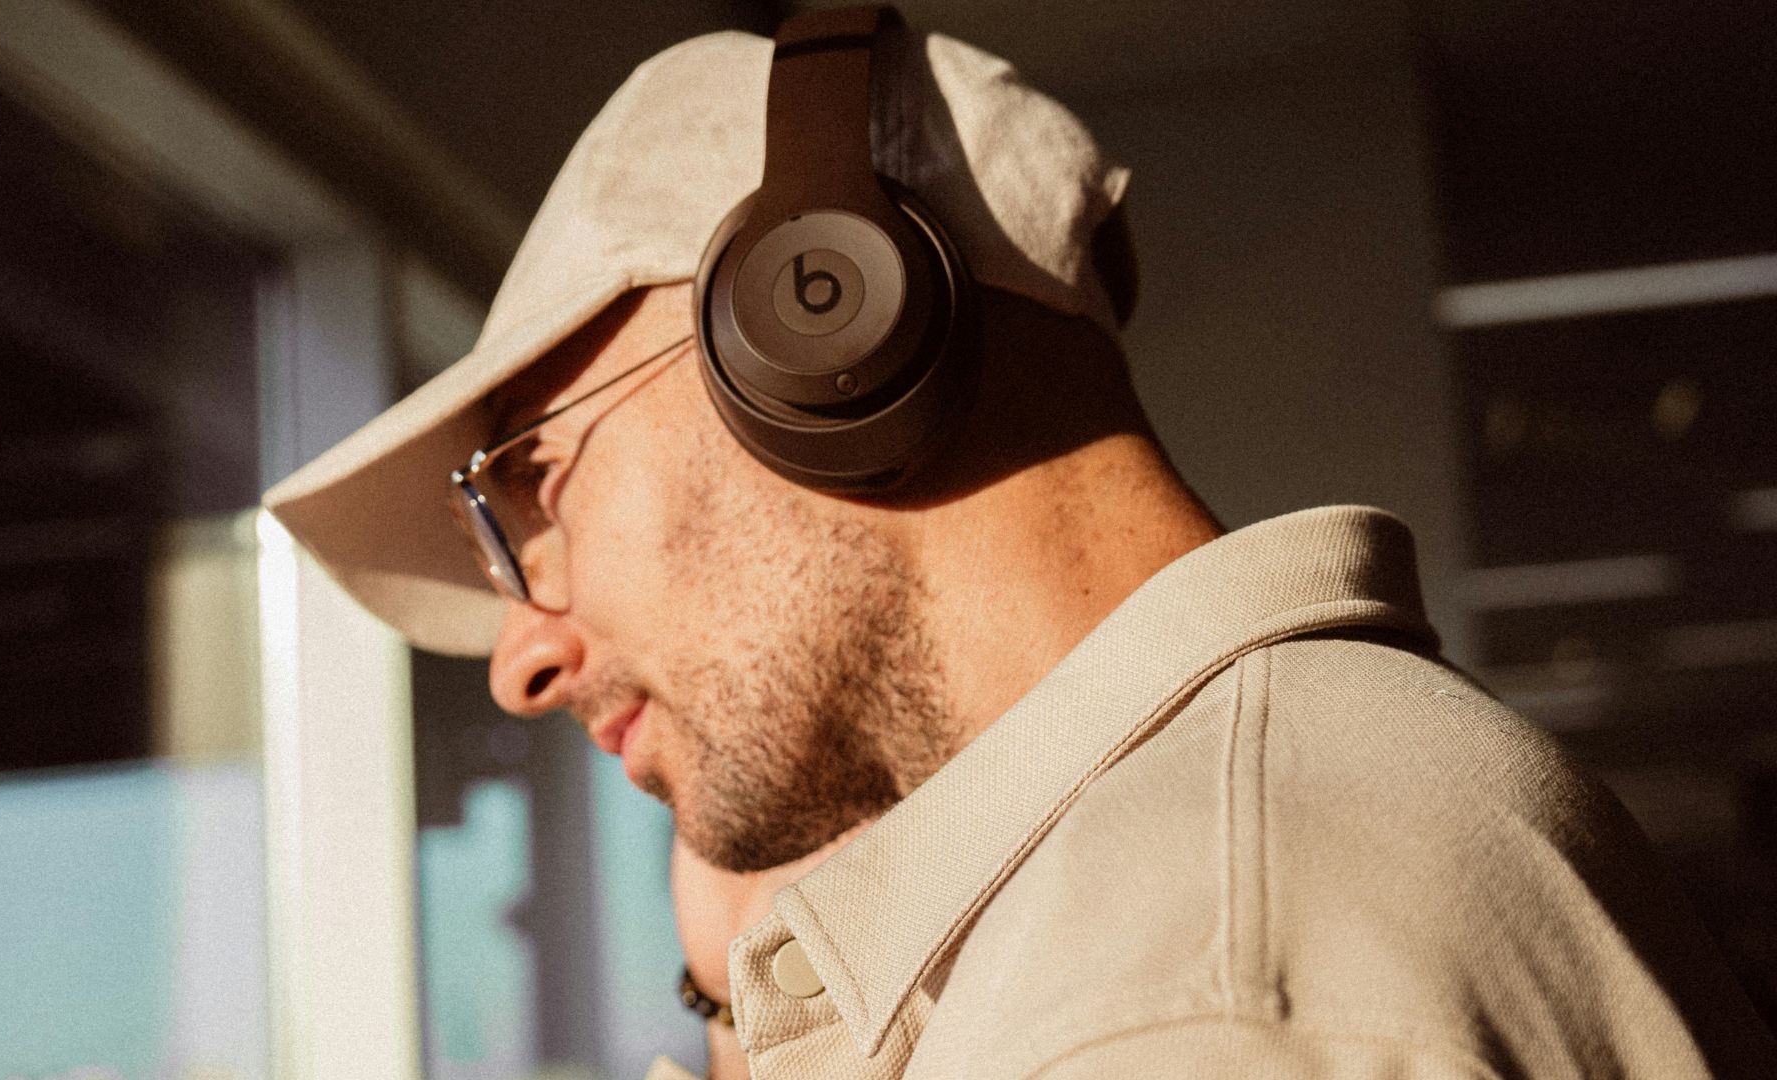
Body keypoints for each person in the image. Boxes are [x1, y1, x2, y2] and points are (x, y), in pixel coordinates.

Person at [264, 7, 1776, 1079]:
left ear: (812, 313)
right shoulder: (1287, 828)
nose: (523, 657)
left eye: (529, 489)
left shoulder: (1178, 990)